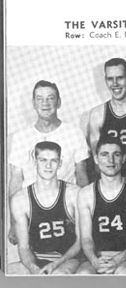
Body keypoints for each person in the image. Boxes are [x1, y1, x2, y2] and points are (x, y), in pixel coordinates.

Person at [8, 80, 90, 244]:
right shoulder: (21, 137)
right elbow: (16, 180)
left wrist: (85, 217)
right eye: (40, 99)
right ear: (33, 104)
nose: (45, 103)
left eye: (50, 98)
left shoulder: (74, 133)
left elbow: (81, 176)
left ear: (58, 102)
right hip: (31, 212)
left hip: (66, 211)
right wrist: (13, 222)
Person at [7, 142, 82, 274]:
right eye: (43, 160)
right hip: (37, 258)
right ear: (34, 161)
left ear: (60, 163)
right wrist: (33, 268)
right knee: (9, 271)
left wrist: (55, 264)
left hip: (68, 259)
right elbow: (24, 247)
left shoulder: (74, 194)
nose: (48, 166)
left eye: (53, 160)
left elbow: (81, 241)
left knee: (58, 275)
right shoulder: (20, 199)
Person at [76, 136, 126, 274]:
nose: (111, 160)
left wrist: (120, 258)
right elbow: (86, 237)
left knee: (122, 273)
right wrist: (93, 259)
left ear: (124, 158)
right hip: (99, 256)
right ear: (96, 159)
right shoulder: (86, 194)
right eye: (104, 154)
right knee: (83, 275)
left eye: (116, 154)